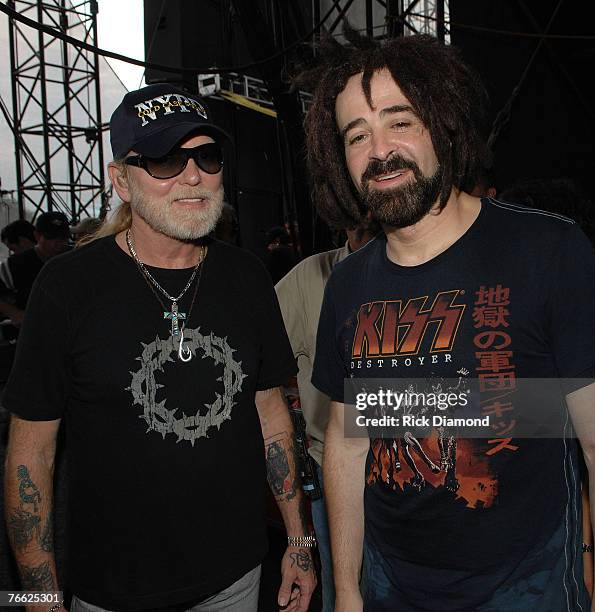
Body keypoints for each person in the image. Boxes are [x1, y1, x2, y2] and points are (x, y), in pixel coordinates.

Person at [298, 29, 595, 611]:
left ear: (443, 124)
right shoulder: (347, 284)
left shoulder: (549, 251)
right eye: (357, 135)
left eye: (399, 121)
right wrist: (349, 590)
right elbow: (346, 444)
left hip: (527, 587)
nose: (379, 150)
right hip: (390, 586)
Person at [3, 83, 316, 612]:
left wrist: (300, 543)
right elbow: (30, 453)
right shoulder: (67, 286)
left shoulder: (246, 276)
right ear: (121, 180)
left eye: (206, 156)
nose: (193, 175)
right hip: (112, 589)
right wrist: (38, 597)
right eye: (166, 160)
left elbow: (272, 413)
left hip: (236, 577)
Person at [275, 217, 378, 611]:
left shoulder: (421, 266)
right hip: (333, 469)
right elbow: (260, 352)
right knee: (343, 592)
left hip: (409, 474)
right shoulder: (310, 279)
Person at [0, 211, 71, 328]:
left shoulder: (75, 260)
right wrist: (14, 313)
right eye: (50, 237)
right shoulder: (15, 265)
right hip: (33, 333)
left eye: (62, 238)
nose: (57, 243)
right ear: (37, 236)